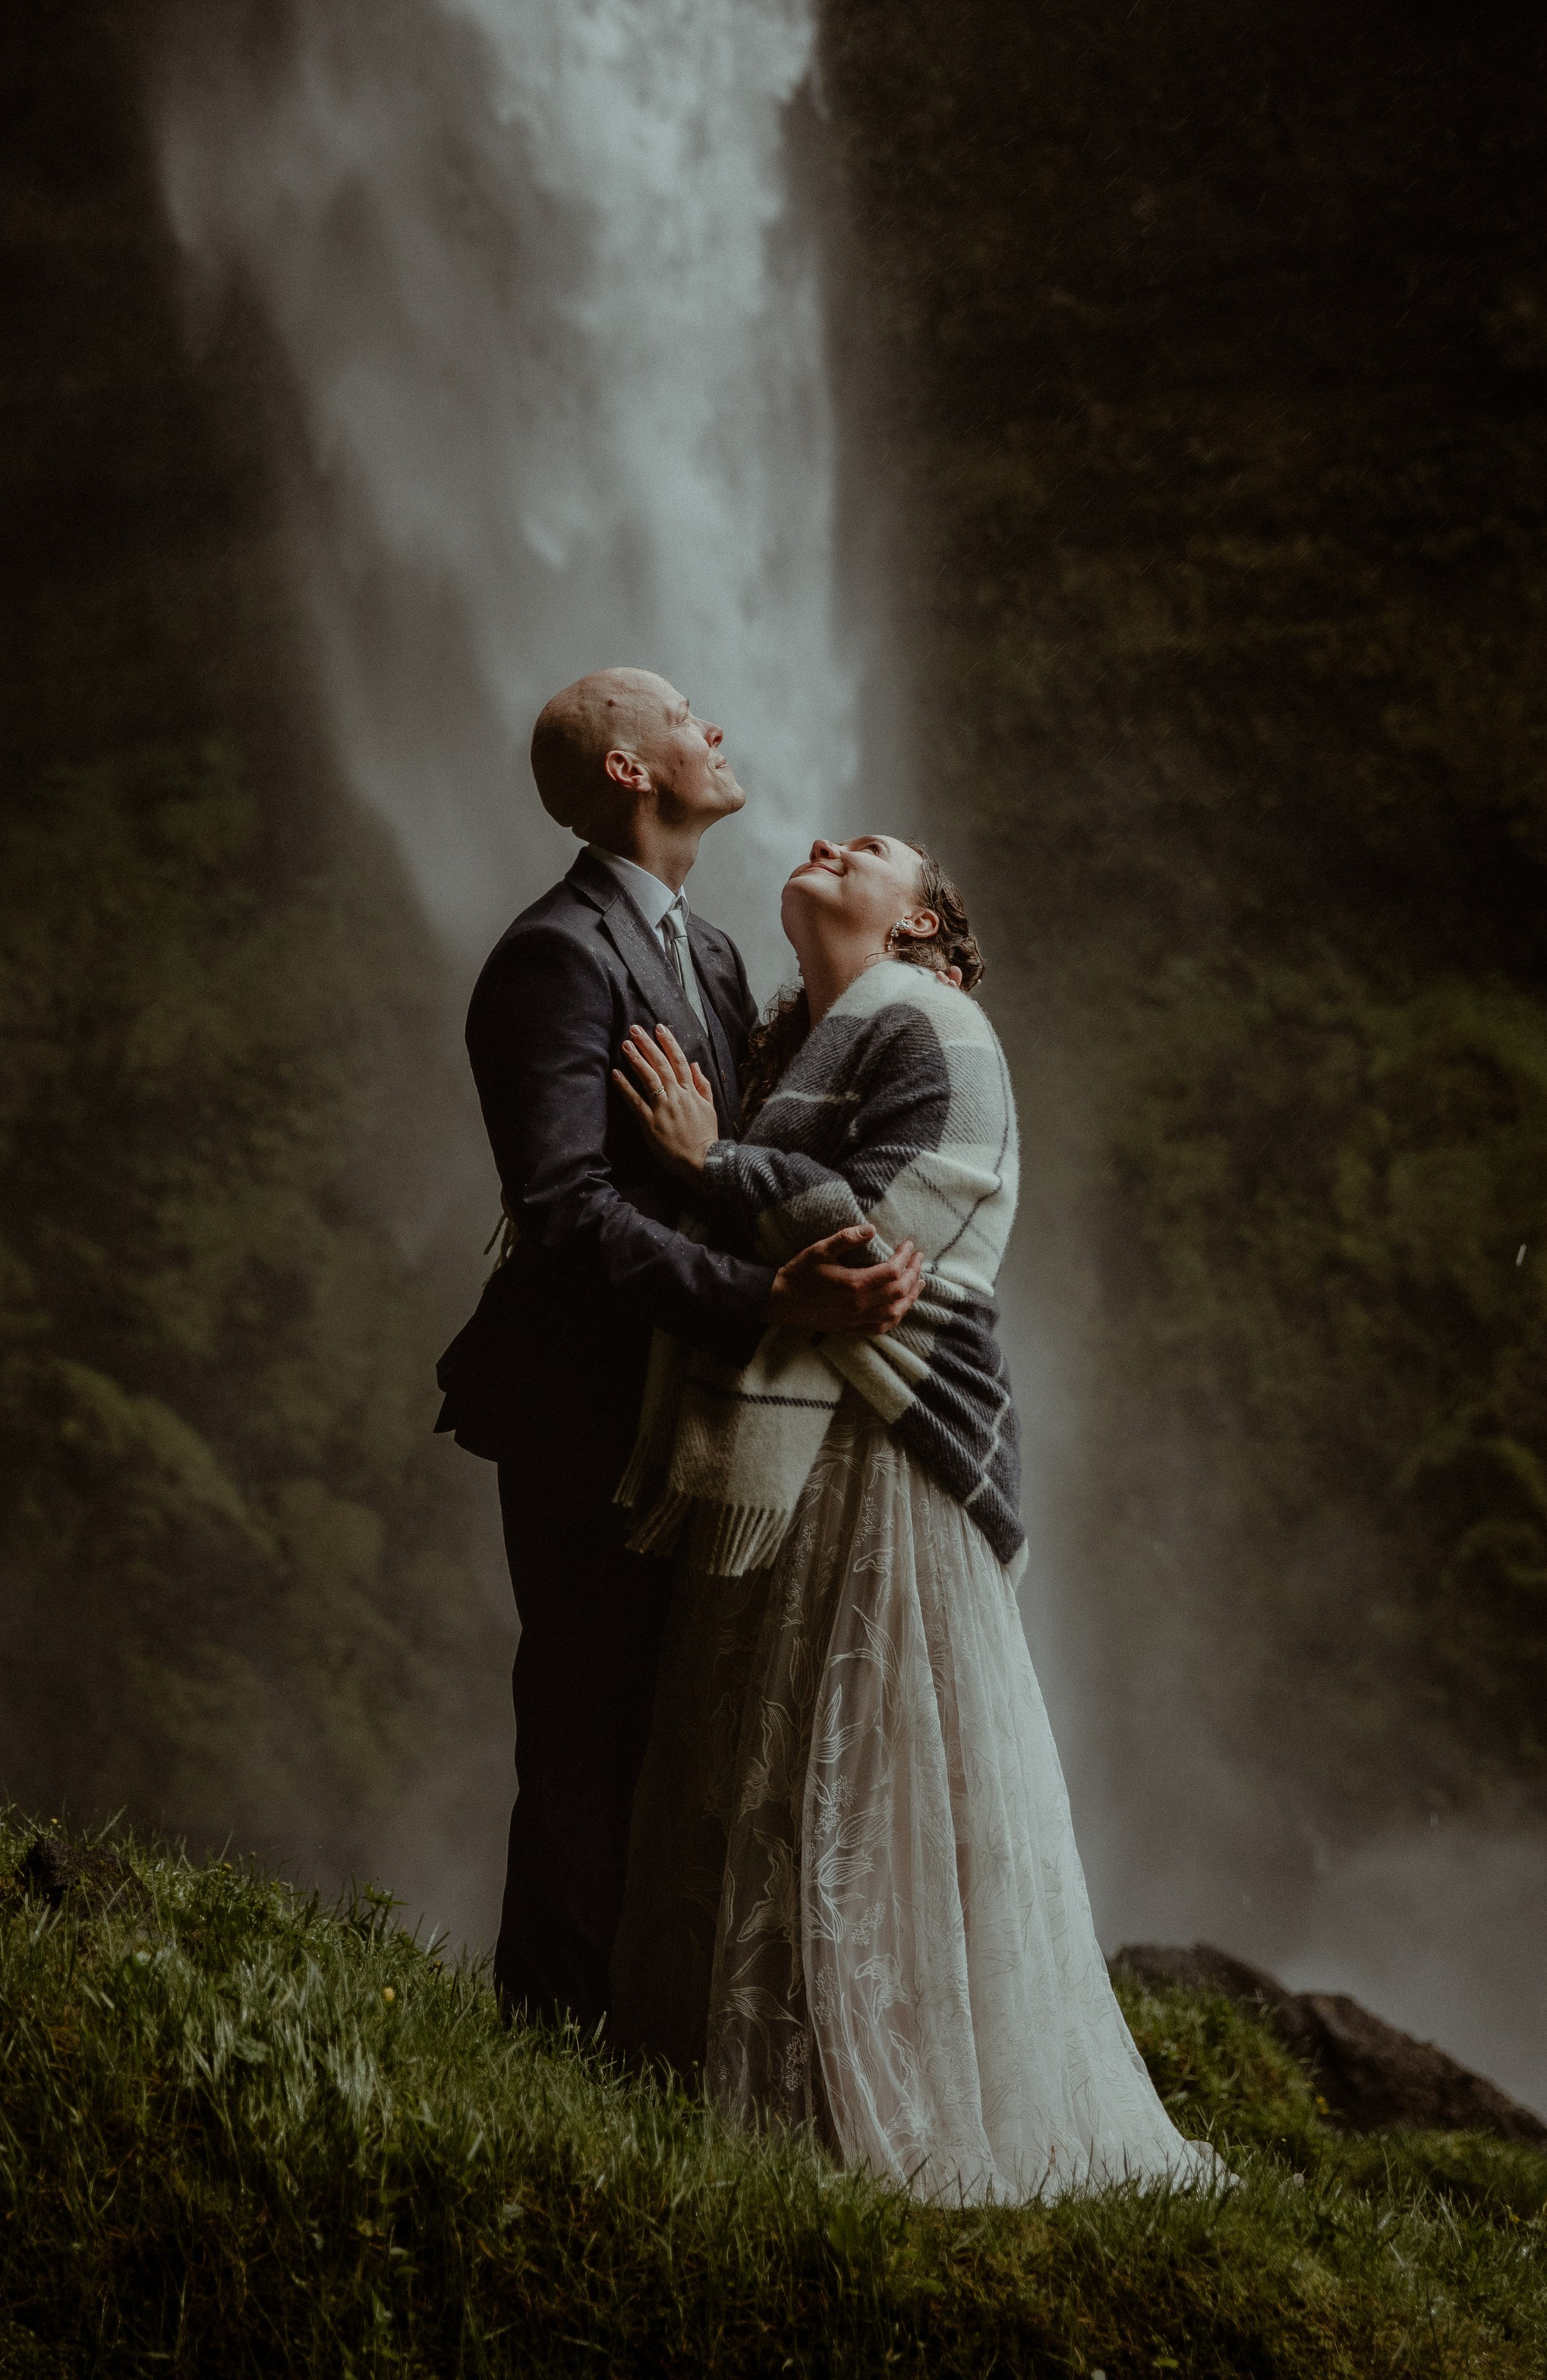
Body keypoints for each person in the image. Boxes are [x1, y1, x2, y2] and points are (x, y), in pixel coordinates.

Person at [607, 832, 1216, 2199]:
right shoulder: (802, 1050)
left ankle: (850, 2108)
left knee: (851, 1762)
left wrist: (714, 1165)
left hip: (878, 1452)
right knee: (805, 1764)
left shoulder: (936, 1023)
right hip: (807, 1451)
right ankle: (766, 2093)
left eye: (870, 849)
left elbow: (875, 1258)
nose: (828, 842)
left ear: (928, 923)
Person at [436, 675, 923, 2036]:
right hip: (586, 1403)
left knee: (661, 1726)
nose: (717, 727)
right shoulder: (557, 956)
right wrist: (770, 1297)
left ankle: (644, 2033)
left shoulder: (705, 954)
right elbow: (564, 1215)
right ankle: (545, 2045)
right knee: (585, 1724)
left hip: (691, 1411)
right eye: (687, 716)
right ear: (628, 768)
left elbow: (723, 1167)